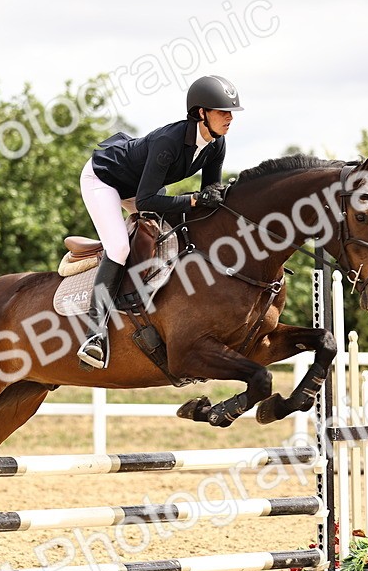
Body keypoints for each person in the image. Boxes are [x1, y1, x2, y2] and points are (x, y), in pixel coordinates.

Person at [75, 74, 243, 369]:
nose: (230, 118)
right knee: (118, 248)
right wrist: (192, 201)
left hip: (140, 186)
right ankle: (94, 334)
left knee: (167, 236)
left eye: (231, 112)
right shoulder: (169, 141)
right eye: (222, 112)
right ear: (201, 113)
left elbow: (209, 196)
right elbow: (146, 201)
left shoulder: (217, 144)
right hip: (105, 179)